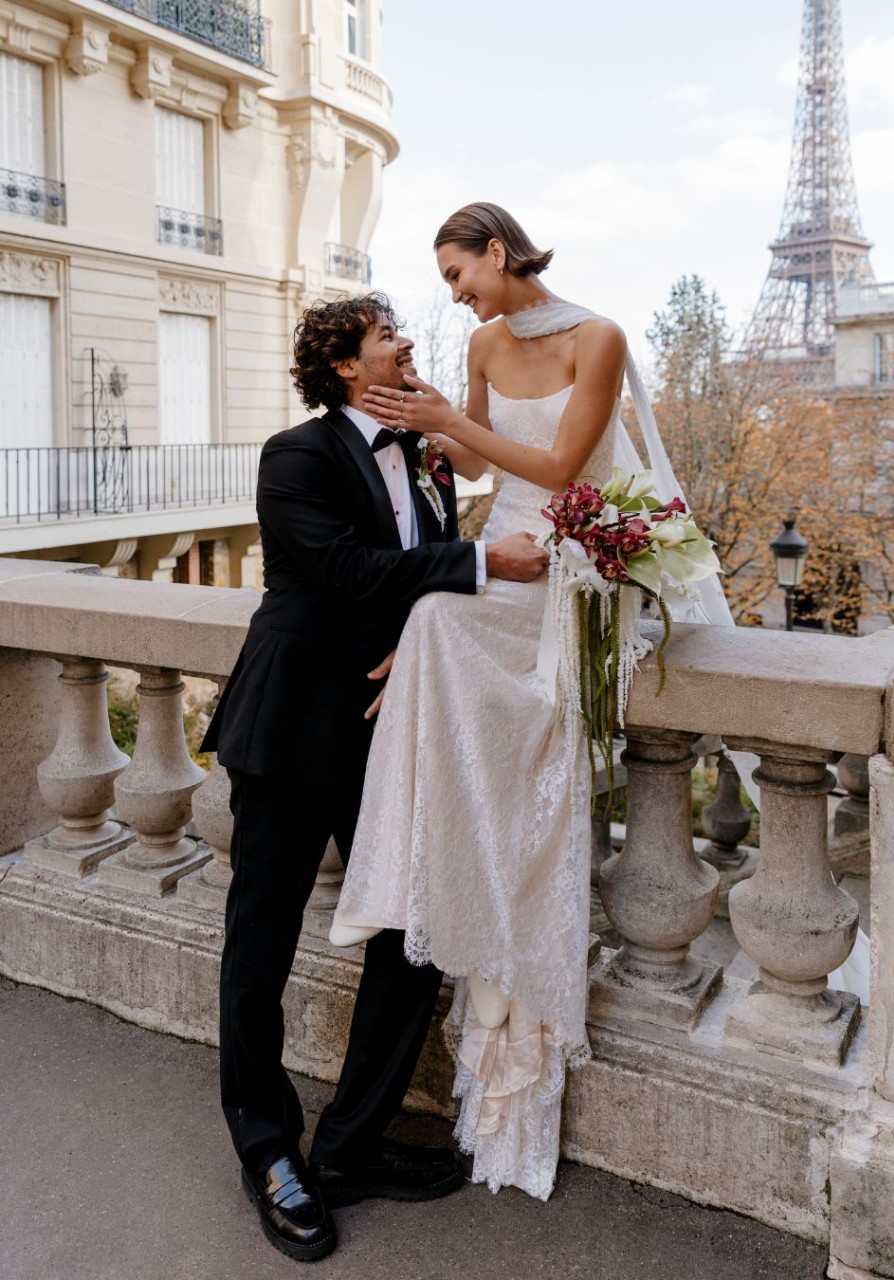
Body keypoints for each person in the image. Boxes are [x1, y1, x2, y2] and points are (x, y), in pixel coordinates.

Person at [201, 291, 548, 1261]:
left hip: (385, 735)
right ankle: (267, 1148)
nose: (404, 342)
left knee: (411, 929)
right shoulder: (295, 455)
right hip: (287, 731)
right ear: (346, 366)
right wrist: (486, 560)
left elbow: (411, 585)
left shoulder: (428, 454)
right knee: (258, 947)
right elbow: (347, 570)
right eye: (385, 334)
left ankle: (349, 1143)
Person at [329, 204, 633, 1202]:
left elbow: (556, 467)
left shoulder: (599, 337)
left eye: (459, 274)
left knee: (438, 637)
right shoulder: (483, 342)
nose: (452, 296)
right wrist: (420, 420)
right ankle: (413, 851)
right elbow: (468, 462)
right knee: (425, 622)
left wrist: (451, 424)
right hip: (494, 555)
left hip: (558, 560)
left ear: (500, 253)